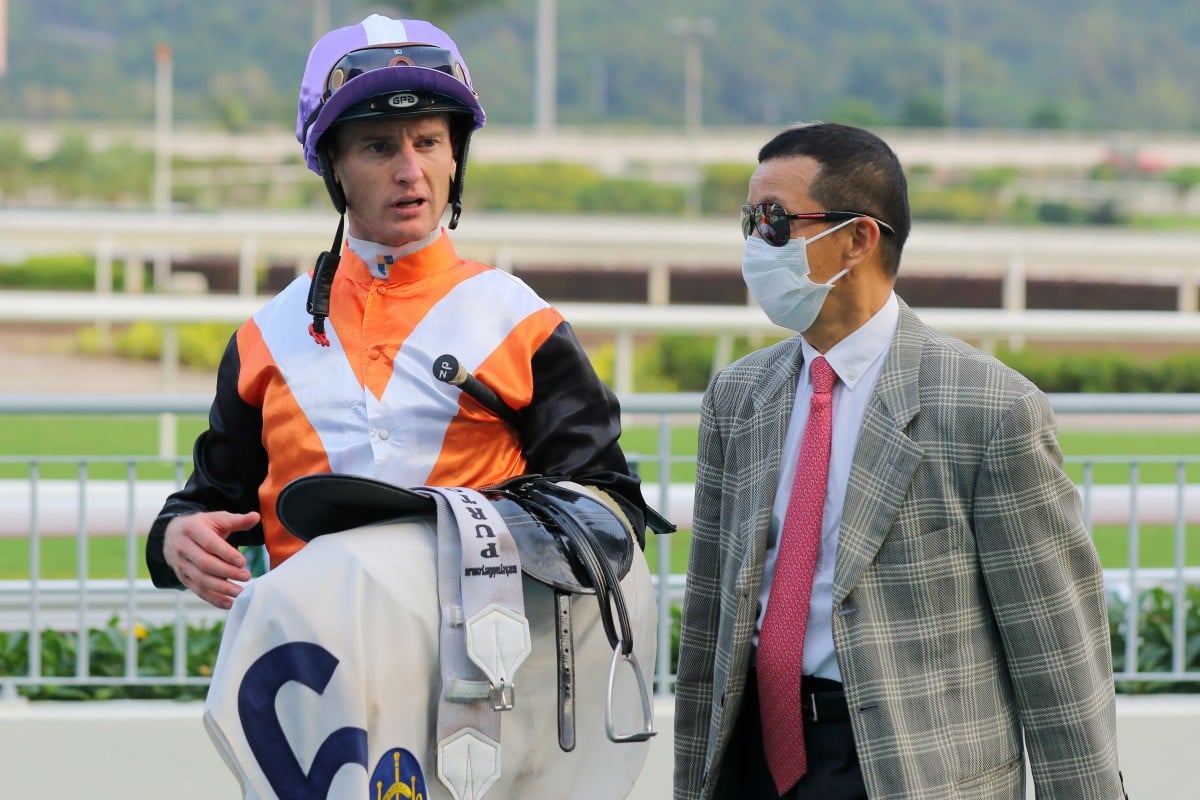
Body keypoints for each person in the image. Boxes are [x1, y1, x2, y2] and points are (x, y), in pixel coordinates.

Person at [673, 121, 1127, 800]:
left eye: (773, 221)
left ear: (858, 238)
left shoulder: (990, 409)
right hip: (751, 761)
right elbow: (710, 621)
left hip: (909, 771)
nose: (753, 246)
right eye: (747, 221)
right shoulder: (738, 398)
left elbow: (1057, 654)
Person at [145, 14, 650, 607]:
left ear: (456, 157)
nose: (409, 170)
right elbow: (212, 500)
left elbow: (610, 504)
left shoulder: (522, 322)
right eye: (379, 146)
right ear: (333, 164)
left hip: (485, 676)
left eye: (428, 141)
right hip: (314, 670)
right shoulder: (267, 336)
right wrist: (176, 537)